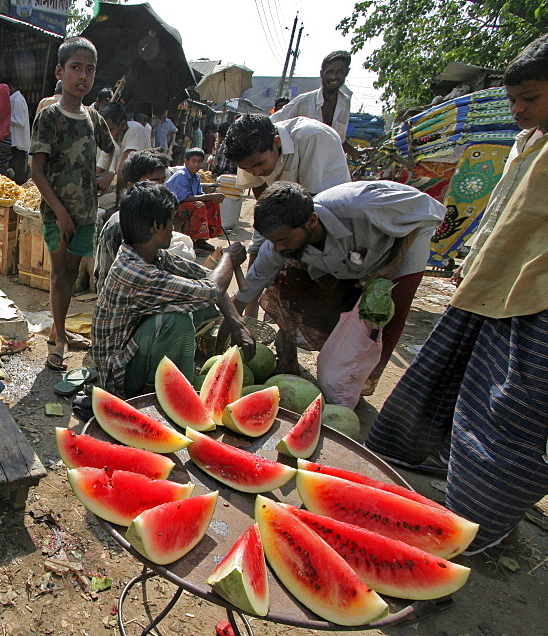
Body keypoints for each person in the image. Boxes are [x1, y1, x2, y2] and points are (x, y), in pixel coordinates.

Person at [364, 35, 548, 556]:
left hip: (534, 301)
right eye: (513, 99)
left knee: (507, 410)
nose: (517, 109)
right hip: (491, 285)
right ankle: (425, 464)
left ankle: (480, 526)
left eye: (529, 98)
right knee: (451, 380)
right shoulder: (528, 143)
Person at [232, 181, 443, 391]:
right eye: (273, 241)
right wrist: (231, 321)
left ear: (312, 220)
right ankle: (292, 360)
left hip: (404, 238)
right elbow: (252, 283)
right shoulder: (280, 242)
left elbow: (426, 211)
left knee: (392, 310)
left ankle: (363, 381)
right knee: (296, 282)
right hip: (353, 255)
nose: (278, 247)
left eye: (284, 240)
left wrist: (392, 264)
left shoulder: (363, 206)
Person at [92, 181, 252, 397]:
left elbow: (204, 278)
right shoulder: (135, 272)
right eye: (171, 222)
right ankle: (156, 394)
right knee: (176, 320)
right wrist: (228, 259)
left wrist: (236, 323)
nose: (174, 228)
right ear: (155, 226)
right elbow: (212, 289)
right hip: (119, 377)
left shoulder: (148, 254)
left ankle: (170, 375)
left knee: (196, 304)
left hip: (132, 351)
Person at [30, 37, 115, 371]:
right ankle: (62, 338)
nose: (83, 76)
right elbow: (36, 171)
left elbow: (112, 148)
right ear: (60, 71)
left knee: (71, 274)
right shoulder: (49, 116)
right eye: (76, 68)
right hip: (57, 214)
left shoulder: (93, 118)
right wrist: (62, 213)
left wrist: (108, 174)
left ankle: (57, 329)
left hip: (86, 213)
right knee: (60, 276)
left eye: (89, 70)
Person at [225, 113, 351, 315]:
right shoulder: (250, 151)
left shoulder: (311, 137)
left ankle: (286, 326)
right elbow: (261, 194)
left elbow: (307, 204)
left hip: (320, 210)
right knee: (259, 250)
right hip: (280, 205)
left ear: (276, 142)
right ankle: (250, 315)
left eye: (259, 164)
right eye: (246, 168)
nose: (255, 172)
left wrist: (281, 242)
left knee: (297, 270)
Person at [95, 149, 199, 288]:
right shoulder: (122, 223)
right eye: (154, 182)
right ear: (132, 186)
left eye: (163, 181)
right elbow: (133, 275)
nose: (161, 187)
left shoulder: (150, 216)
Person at [272, 51, 362, 157]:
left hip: (328, 165)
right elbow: (273, 122)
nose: (334, 77)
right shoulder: (305, 100)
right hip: (301, 163)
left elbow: (339, 140)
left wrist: (356, 153)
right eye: (330, 71)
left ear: (346, 73)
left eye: (339, 72)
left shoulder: (344, 103)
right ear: (322, 73)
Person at [165, 147, 224, 245]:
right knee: (199, 205)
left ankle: (203, 238)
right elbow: (184, 199)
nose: (196, 164)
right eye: (193, 161)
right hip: (174, 207)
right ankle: (195, 239)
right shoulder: (181, 175)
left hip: (187, 205)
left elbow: (199, 194)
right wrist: (209, 196)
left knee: (212, 203)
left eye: (199, 161)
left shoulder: (196, 176)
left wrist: (212, 198)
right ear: (186, 162)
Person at [96, 102, 150, 198]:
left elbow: (123, 171)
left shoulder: (135, 130)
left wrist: (119, 206)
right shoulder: (111, 139)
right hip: (123, 187)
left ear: (123, 125)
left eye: (110, 130)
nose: (106, 135)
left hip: (140, 190)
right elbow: (99, 170)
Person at [8, 83, 31, 183]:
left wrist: (5, 117)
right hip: (16, 143)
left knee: (18, 176)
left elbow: (20, 121)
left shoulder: (17, 100)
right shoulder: (14, 98)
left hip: (18, 144)